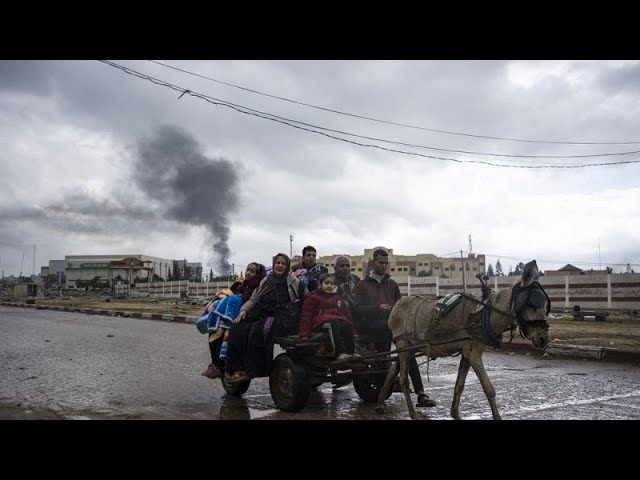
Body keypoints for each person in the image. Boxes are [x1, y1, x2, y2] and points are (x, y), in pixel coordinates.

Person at [353, 248, 436, 408]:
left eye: (386, 263)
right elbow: (356, 309)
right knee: (404, 350)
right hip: (370, 327)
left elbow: (400, 306)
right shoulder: (362, 285)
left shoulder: (392, 284)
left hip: (392, 326)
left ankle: (420, 393)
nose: (383, 266)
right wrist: (377, 308)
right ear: (373, 263)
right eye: (380, 262)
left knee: (408, 351)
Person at [226, 253, 307, 384]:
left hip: (279, 317)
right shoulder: (266, 280)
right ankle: (236, 368)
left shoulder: (294, 282)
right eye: (278, 263)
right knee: (237, 328)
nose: (280, 266)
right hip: (258, 312)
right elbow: (253, 298)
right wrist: (243, 311)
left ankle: (253, 370)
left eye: (283, 263)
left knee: (257, 331)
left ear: (287, 266)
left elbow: (306, 300)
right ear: (274, 264)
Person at [201, 263, 266, 379]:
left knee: (223, 333)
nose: (248, 273)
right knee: (214, 331)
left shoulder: (258, 286)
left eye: (252, 271)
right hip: (235, 315)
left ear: (258, 274)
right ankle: (216, 365)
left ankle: (220, 366)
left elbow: (249, 301)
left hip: (244, 316)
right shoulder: (244, 284)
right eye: (248, 270)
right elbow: (234, 294)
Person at [299, 273, 357, 360]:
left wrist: (353, 331)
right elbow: (306, 316)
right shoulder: (313, 297)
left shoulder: (337, 298)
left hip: (337, 319)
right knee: (333, 324)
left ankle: (351, 352)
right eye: (326, 283)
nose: (329, 286)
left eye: (332, 284)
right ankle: (340, 353)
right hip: (320, 323)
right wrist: (304, 334)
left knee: (346, 324)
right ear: (320, 284)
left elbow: (346, 313)